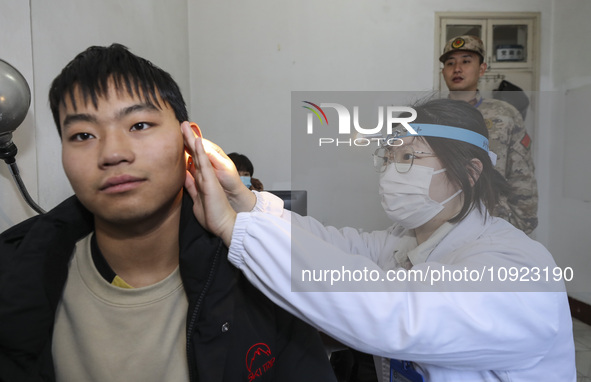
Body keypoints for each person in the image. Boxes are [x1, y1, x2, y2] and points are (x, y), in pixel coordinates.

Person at [0, 44, 337, 382]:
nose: (113, 153)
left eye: (140, 125)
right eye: (83, 134)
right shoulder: (15, 273)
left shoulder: (262, 273)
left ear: (190, 142)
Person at [182, 98, 576, 381]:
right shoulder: (407, 242)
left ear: (470, 173)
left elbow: (396, 312)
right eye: (390, 157)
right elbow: (337, 246)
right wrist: (246, 202)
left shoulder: (519, 270)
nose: (391, 172)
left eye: (409, 158)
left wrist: (237, 229)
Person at [439, 34, 538, 235]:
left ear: (482, 69)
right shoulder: (433, 117)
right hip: (443, 226)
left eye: (466, 61)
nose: (457, 68)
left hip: (495, 223)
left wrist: (521, 226)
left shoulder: (506, 114)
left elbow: (521, 175)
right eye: (450, 63)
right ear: (443, 72)